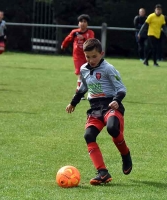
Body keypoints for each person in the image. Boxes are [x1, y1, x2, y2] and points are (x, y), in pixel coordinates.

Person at [65, 38, 132, 185]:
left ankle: (125, 154)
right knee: (88, 135)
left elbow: (121, 88)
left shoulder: (108, 68)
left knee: (112, 128)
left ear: (101, 54)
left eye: (94, 56)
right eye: (88, 57)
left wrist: (116, 100)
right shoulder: (84, 69)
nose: (91, 60)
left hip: (110, 105)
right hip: (95, 108)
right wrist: (73, 102)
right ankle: (102, 172)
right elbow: (82, 88)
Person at [61, 14, 95, 98]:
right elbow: (68, 38)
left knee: (89, 73)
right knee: (80, 73)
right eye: (81, 21)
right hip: (78, 55)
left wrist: (83, 38)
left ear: (87, 24)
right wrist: (63, 45)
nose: (82, 23)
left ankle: (86, 91)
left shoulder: (90, 32)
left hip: (88, 56)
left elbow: (91, 42)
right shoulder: (74, 32)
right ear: (78, 23)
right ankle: (79, 92)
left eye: (84, 21)